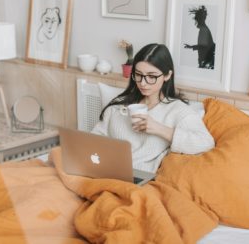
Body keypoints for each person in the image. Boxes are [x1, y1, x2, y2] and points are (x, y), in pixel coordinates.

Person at [92, 43, 215, 173]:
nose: (143, 83)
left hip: (137, 179)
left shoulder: (177, 111)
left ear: (167, 75)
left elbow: (206, 143)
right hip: (105, 170)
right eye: (138, 75)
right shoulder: (119, 104)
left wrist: (159, 129)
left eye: (151, 76)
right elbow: (94, 138)